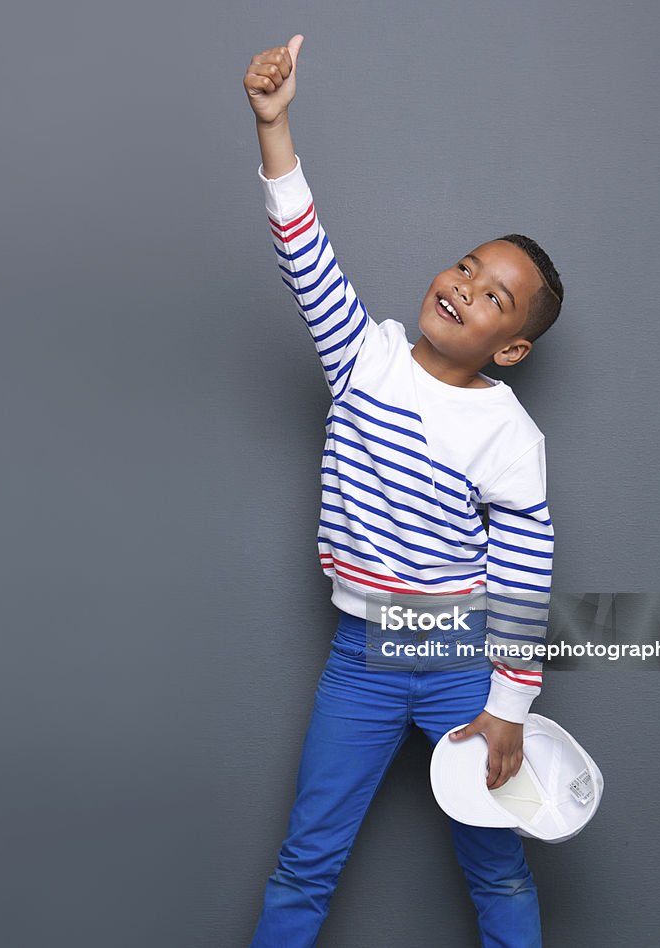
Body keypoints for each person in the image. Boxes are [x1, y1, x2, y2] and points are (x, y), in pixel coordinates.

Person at [243, 35, 562, 948]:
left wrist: (508, 708)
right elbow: (303, 252)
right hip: (362, 664)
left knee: (497, 866)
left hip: (463, 661)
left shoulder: (509, 434)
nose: (465, 288)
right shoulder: (365, 357)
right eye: (467, 266)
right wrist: (275, 125)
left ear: (511, 347)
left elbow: (527, 575)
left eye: (495, 296)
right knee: (308, 860)